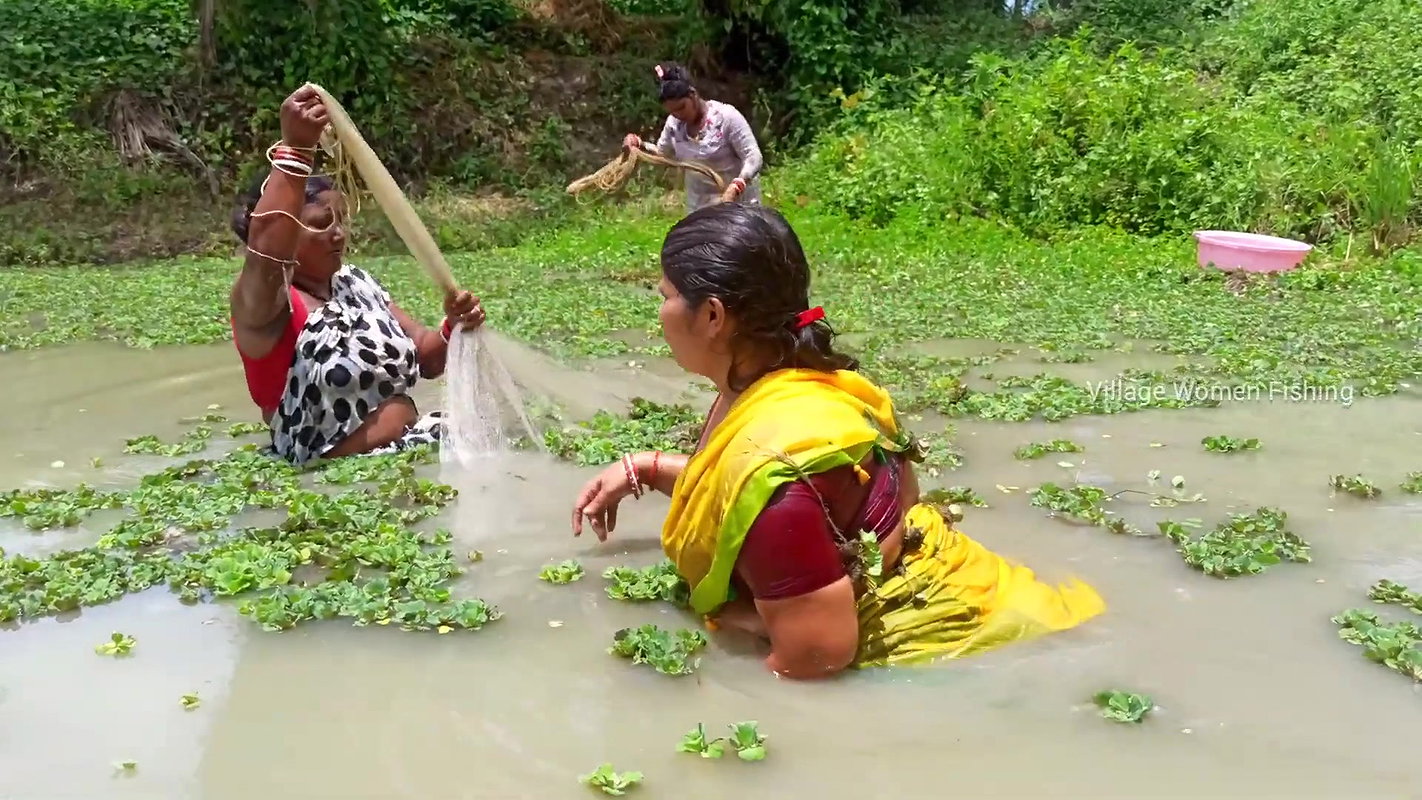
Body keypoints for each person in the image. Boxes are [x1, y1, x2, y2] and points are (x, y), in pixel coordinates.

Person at [571, 203, 1105, 680]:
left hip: (986, 658)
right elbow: (751, 498)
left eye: (664, 296)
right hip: (1013, 604)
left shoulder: (780, 478)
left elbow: (815, 656)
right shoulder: (793, 385)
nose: (658, 313)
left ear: (711, 316)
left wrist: (749, 627)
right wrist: (650, 467)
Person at [228, 85, 486, 467]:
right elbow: (267, 254)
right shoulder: (265, 307)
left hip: (406, 458)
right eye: (319, 224)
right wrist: (295, 151)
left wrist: (454, 326)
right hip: (326, 485)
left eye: (341, 220)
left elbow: (426, 358)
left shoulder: (356, 285)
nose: (338, 234)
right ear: (287, 235)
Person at [622, 62, 764, 214]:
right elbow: (663, 154)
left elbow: (753, 156)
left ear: (693, 94)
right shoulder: (674, 125)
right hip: (700, 210)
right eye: (673, 112)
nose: (679, 115)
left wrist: (737, 186)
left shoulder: (726, 118)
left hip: (739, 206)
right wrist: (639, 145)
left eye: (682, 108)